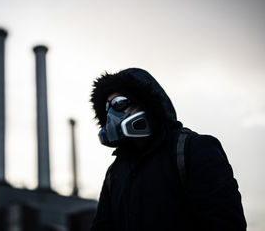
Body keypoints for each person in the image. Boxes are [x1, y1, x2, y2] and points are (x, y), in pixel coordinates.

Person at [89, 68, 246, 231]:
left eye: (118, 103)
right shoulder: (115, 173)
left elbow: (226, 223)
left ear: (145, 102)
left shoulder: (193, 149)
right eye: (107, 109)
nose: (112, 116)